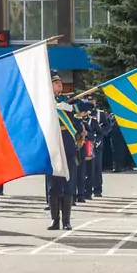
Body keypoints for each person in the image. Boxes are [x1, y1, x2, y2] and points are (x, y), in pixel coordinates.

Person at [46, 70, 86, 231]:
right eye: (56, 83)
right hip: (53, 143)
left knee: (68, 182)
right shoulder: (44, 103)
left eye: (60, 82)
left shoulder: (66, 101)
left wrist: (70, 108)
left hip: (68, 143)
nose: (59, 85)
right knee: (53, 183)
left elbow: (83, 110)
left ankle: (66, 220)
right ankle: (55, 220)